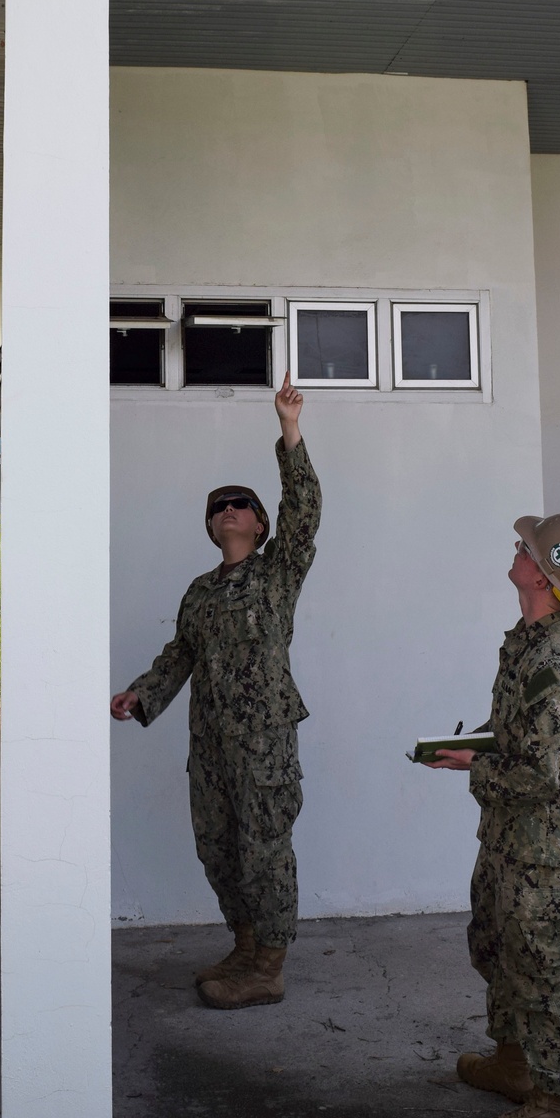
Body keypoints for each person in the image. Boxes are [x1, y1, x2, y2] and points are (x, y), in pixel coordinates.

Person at [110, 372, 321, 1010]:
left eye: (240, 504)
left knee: (265, 848)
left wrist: (289, 431)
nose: (227, 509)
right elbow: (181, 655)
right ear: (211, 530)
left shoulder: (280, 572)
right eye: (217, 507)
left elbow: (304, 512)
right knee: (218, 846)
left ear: (258, 524)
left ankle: (270, 966)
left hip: (262, 744)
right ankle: (246, 943)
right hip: (211, 744)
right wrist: (141, 695)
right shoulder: (200, 593)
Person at [428, 511, 560, 1118]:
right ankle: (515, 1063)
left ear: (543, 572)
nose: (516, 549)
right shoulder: (531, 640)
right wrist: (468, 747)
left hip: (547, 846)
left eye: (525, 547)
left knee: (544, 966)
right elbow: (518, 735)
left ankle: (554, 1109)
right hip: (513, 833)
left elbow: (545, 773)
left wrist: (474, 765)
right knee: (495, 944)